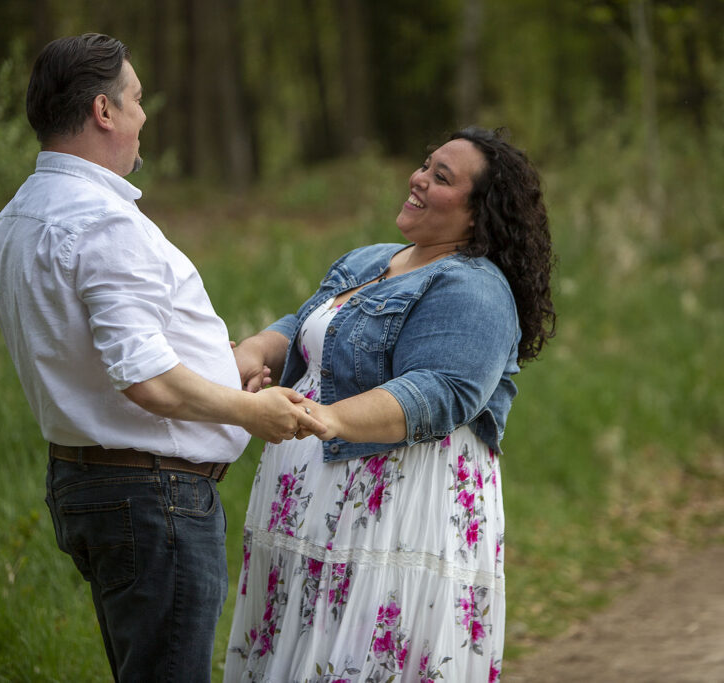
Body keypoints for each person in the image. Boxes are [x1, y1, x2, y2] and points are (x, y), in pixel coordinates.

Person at [0, 33, 324, 682]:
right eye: (136, 99)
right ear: (103, 112)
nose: (144, 115)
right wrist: (248, 409)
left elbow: (91, 353)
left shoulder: (16, 217)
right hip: (152, 495)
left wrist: (219, 372)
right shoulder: (103, 221)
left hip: (91, 483)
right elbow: (142, 378)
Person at [224, 127, 555, 682]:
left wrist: (323, 418)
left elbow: (440, 392)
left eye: (441, 177)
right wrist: (254, 350)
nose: (418, 178)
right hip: (311, 506)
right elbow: (309, 329)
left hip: (392, 515)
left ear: (479, 214)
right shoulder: (375, 259)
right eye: (425, 164)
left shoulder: (477, 288)